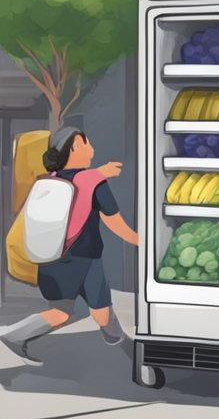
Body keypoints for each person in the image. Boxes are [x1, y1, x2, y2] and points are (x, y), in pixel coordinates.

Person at [0, 127, 138, 366]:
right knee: (101, 314)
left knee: (60, 312)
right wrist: (143, 242)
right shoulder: (95, 182)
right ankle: (119, 341)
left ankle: (14, 335)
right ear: (75, 146)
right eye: (88, 143)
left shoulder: (49, 181)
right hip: (86, 260)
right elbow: (115, 223)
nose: (92, 149)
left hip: (51, 258)